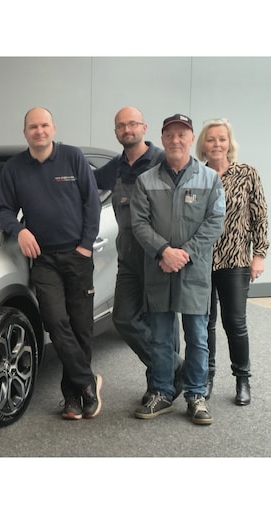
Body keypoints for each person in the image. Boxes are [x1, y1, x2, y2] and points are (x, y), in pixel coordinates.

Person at [0, 107, 103, 420]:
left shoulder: (73, 157)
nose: (39, 131)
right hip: (43, 260)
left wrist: (85, 247)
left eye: (44, 125)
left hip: (77, 255)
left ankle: (72, 398)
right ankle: (88, 382)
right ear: (25, 132)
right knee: (56, 322)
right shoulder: (14, 168)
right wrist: (19, 230)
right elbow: (3, 210)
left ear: (53, 129)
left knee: (81, 327)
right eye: (33, 127)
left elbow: (92, 203)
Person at [130, 114, 225, 425]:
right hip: (159, 267)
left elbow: (215, 222)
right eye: (169, 134)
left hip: (193, 270)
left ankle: (196, 395)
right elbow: (139, 224)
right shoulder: (146, 181)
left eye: (182, 134)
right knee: (160, 337)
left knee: (197, 336)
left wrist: (184, 254)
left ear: (191, 138)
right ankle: (161, 391)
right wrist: (163, 251)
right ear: (162, 138)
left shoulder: (209, 179)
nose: (175, 140)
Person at [94, 107, 183, 405]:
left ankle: (160, 385)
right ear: (116, 132)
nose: (127, 129)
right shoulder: (115, 167)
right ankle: (175, 369)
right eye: (121, 126)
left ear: (144, 128)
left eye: (132, 124)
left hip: (159, 255)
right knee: (123, 318)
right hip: (129, 258)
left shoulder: (162, 161)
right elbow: (84, 184)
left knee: (163, 322)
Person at [195, 118, 269, 406]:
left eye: (222, 139)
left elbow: (259, 216)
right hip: (201, 260)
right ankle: (206, 376)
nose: (216, 144)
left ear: (229, 143)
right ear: (203, 145)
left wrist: (259, 254)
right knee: (205, 323)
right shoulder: (196, 175)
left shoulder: (247, 174)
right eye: (211, 139)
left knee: (235, 322)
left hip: (235, 259)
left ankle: (242, 378)